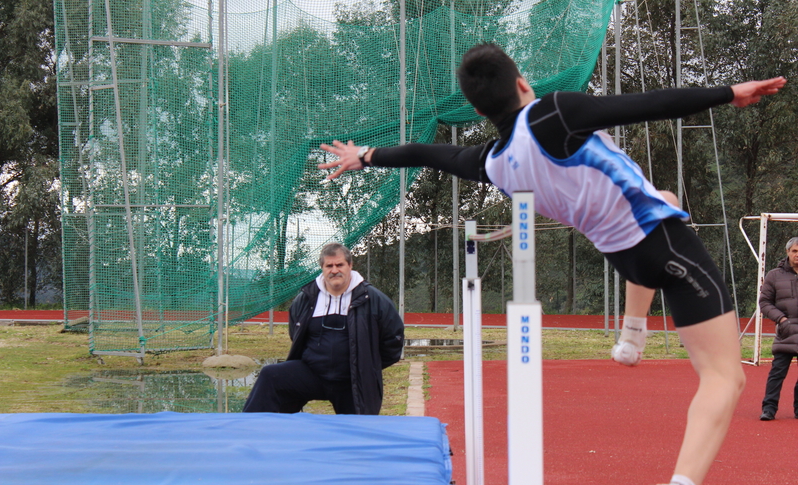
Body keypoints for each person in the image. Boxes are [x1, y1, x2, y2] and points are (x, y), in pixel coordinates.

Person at [317, 43, 787, 485]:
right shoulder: (554, 114)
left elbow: (431, 154)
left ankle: (632, 334)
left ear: (479, 111)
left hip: (626, 261)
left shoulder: (492, 162)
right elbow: (647, 104)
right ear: (523, 83)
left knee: (664, 196)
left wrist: (367, 156)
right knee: (725, 377)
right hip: (666, 248)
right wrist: (729, 92)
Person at [243, 243, 404, 415]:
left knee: (356, 435)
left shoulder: (374, 300)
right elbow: (296, 334)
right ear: (322, 268)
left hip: (352, 380)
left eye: (339, 265)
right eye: (329, 266)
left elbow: (393, 340)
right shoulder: (306, 299)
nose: (335, 270)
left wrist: (368, 365)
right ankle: (250, 431)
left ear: (350, 265)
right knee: (271, 376)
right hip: (313, 374)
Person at [758, 236, 798, 421]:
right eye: (794, 251)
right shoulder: (774, 275)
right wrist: (782, 320)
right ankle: (769, 409)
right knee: (777, 373)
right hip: (786, 333)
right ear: (787, 252)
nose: (797, 255)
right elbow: (764, 302)